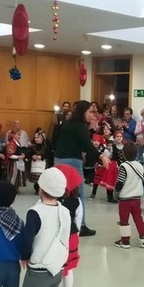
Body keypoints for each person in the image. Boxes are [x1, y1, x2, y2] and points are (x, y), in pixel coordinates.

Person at [19, 168, 71, 287]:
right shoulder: (65, 211)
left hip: (40, 265)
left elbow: (28, 238)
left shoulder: (35, 212)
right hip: (58, 264)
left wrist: (24, 256)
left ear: (41, 189)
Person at [55, 100, 111, 237]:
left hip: (59, 160)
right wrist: (101, 157)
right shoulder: (79, 126)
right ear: (82, 112)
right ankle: (81, 225)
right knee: (79, 194)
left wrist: (91, 128)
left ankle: (60, 223)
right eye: (90, 111)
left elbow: (78, 140)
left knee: (61, 193)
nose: (92, 114)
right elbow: (87, 146)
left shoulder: (68, 124)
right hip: (72, 162)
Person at [53, 164, 84, 287]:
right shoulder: (77, 202)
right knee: (68, 269)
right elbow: (79, 220)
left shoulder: (51, 200)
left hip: (53, 237)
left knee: (51, 268)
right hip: (71, 237)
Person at [111, 143, 144, 249]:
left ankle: (125, 241)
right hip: (137, 198)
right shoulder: (140, 166)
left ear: (123, 154)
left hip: (125, 200)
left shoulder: (123, 167)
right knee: (138, 218)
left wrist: (115, 194)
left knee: (124, 220)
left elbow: (120, 183)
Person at [101, 130, 125, 203]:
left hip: (122, 166)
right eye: (117, 137)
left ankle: (118, 196)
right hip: (113, 166)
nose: (119, 138)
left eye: (120, 137)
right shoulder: (113, 147)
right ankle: (109, 196)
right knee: (111, 180)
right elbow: (110, 156)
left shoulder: (125, 147)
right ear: (114, 138)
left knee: (120, 181)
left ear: (122, 138)